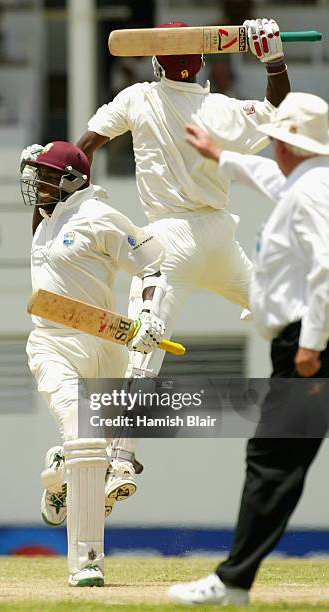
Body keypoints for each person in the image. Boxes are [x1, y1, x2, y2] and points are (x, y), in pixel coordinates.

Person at [74, 17, 291, 498]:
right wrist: (273, 60)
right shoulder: (221, 106)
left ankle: (120, 460)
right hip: (220, 236)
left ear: (156, 62)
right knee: (278, 309)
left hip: (168, 238)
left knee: (143, 351)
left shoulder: (137, 96)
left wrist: (67, 195)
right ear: (202, 64)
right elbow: (278, 110)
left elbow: (86, 146)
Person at [168, 91, 329, 605]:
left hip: (310, 346)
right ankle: (234, 579)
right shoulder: (306, 182)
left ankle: (233, 582)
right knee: (276, 461)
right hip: (311, 341)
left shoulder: (309, 194)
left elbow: (328, 269)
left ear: (286, 144)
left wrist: (311, 344)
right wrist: (222, 155)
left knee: (273, 461)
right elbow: (270, 180)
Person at [21, 141, 166, 586]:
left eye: (45, 176)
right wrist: (40, 158)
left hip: (105, 346)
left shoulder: (99, 217)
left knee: (97, 461)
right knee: (85, 437)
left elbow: (152, 264)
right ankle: (87, 561)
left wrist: (146, 316)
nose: (35, 185)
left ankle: (58, 474)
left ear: (72, 182)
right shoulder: (45, 218)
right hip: (52, 343)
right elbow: (43, 198)